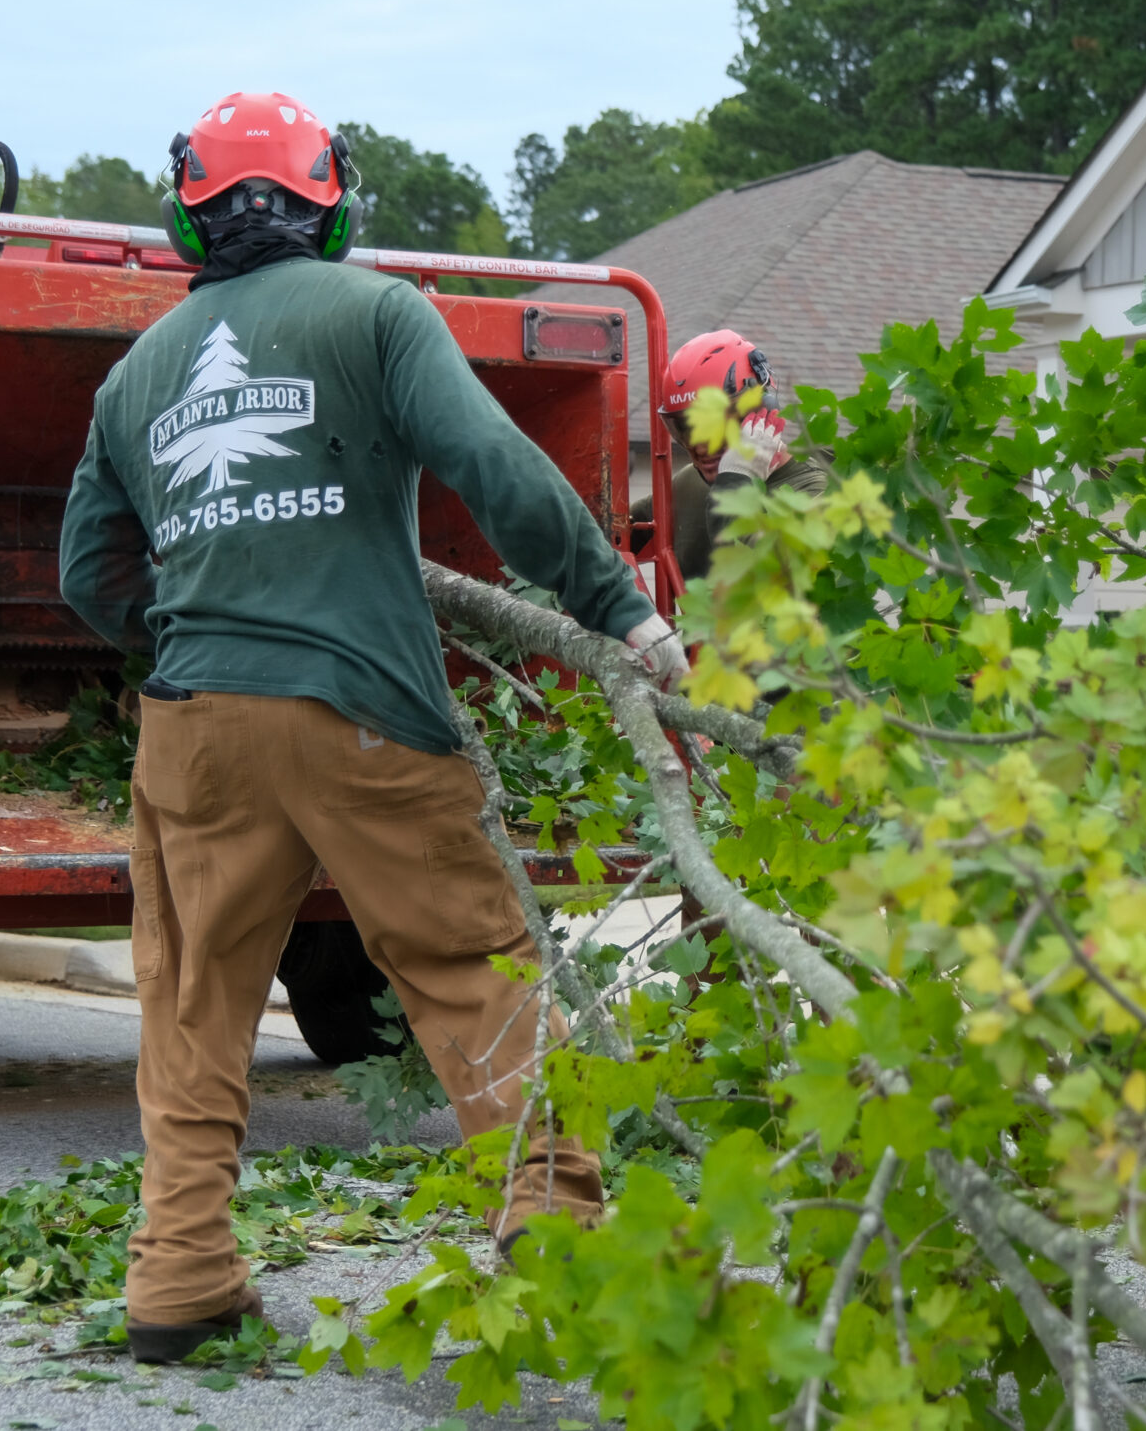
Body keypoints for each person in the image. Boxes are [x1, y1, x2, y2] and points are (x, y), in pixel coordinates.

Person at [58, 91, 688, 1364]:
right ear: (327, 198)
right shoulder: (381, 313)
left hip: (197, 729)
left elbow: (88, 575)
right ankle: (554, 1219)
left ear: (186, 209)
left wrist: (193, 632)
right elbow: (496, 468)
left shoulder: (132, 381)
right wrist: (619, 609)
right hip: (367, 709)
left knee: (193, 1002)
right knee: (470, 966)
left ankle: (180, 1278)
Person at [633, 329, 831, 583]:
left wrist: (735, 480)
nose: (701, 447)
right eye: (686, 428)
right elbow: (601, 541)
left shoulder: (818, 493)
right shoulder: (687, 487)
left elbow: (777, 578)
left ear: (765, 409)